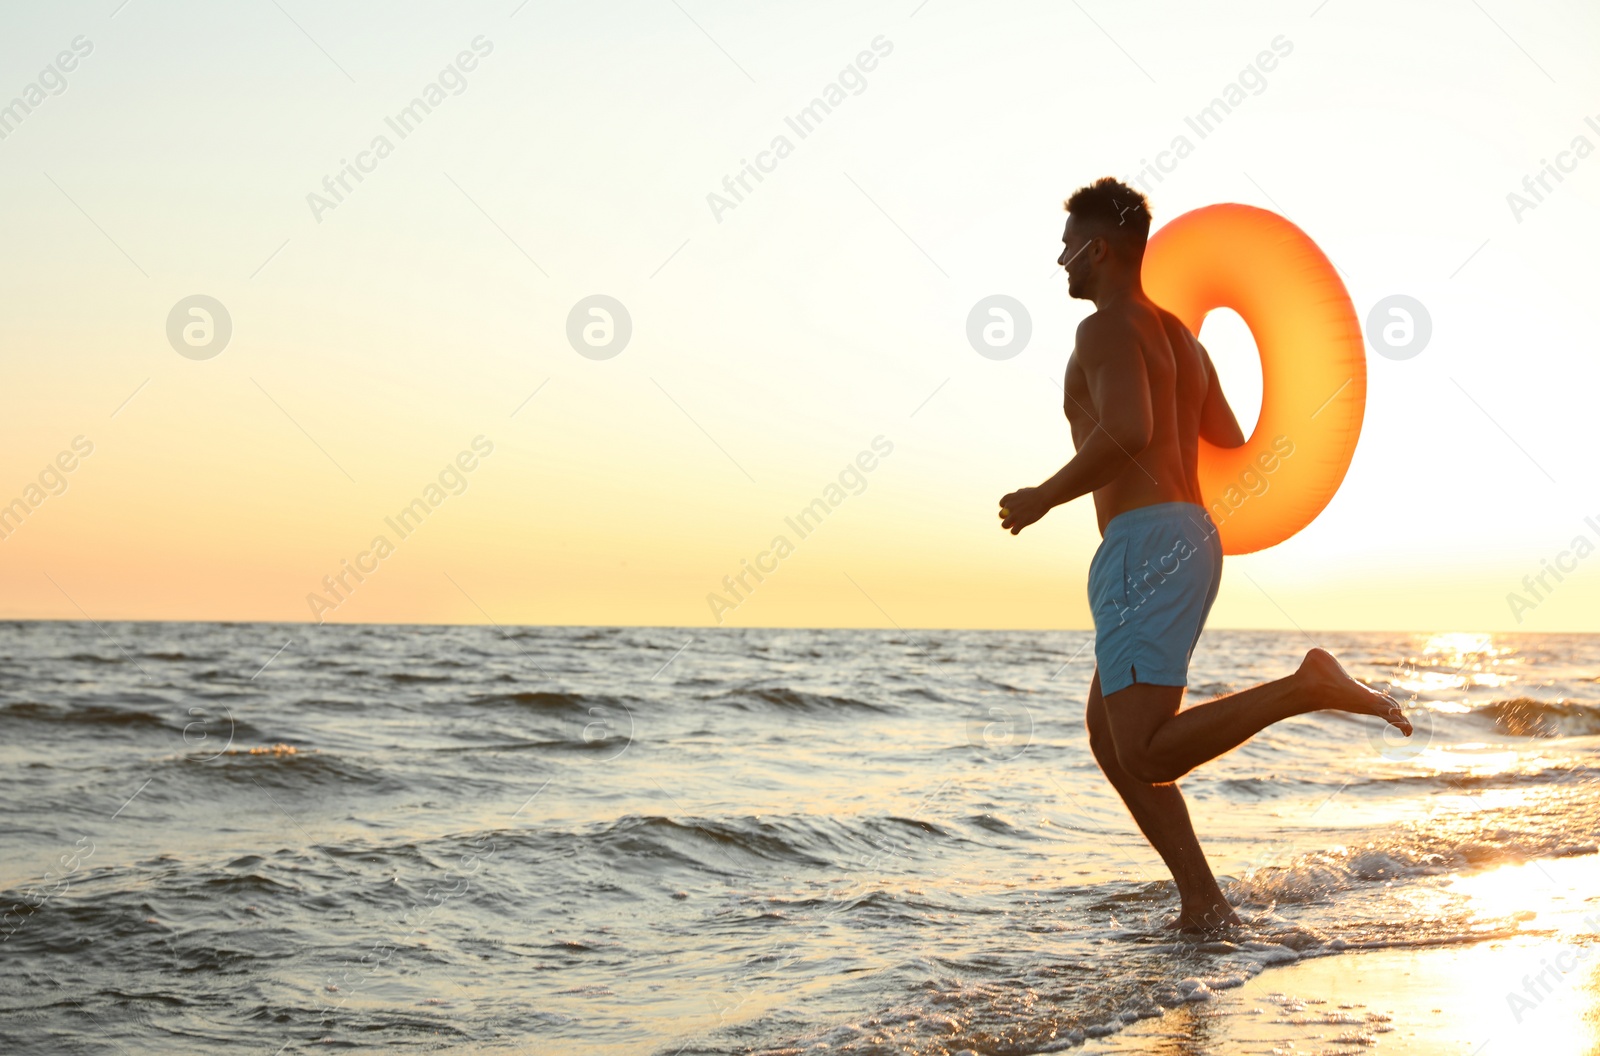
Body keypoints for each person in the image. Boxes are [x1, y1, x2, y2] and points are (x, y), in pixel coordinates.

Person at [998, 177, 1411, 932]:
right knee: (1108, 737)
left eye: (1067, 248)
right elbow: (1223, 434)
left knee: (1147, 753)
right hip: (1191, 535)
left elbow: (1125, 429)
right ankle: (1203, 900)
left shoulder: (1106, 330)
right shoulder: (1184, 341)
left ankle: (1304, 686)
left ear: (1099, 250)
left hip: (1144, 543)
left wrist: (1042, 496)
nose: (1059, 262)